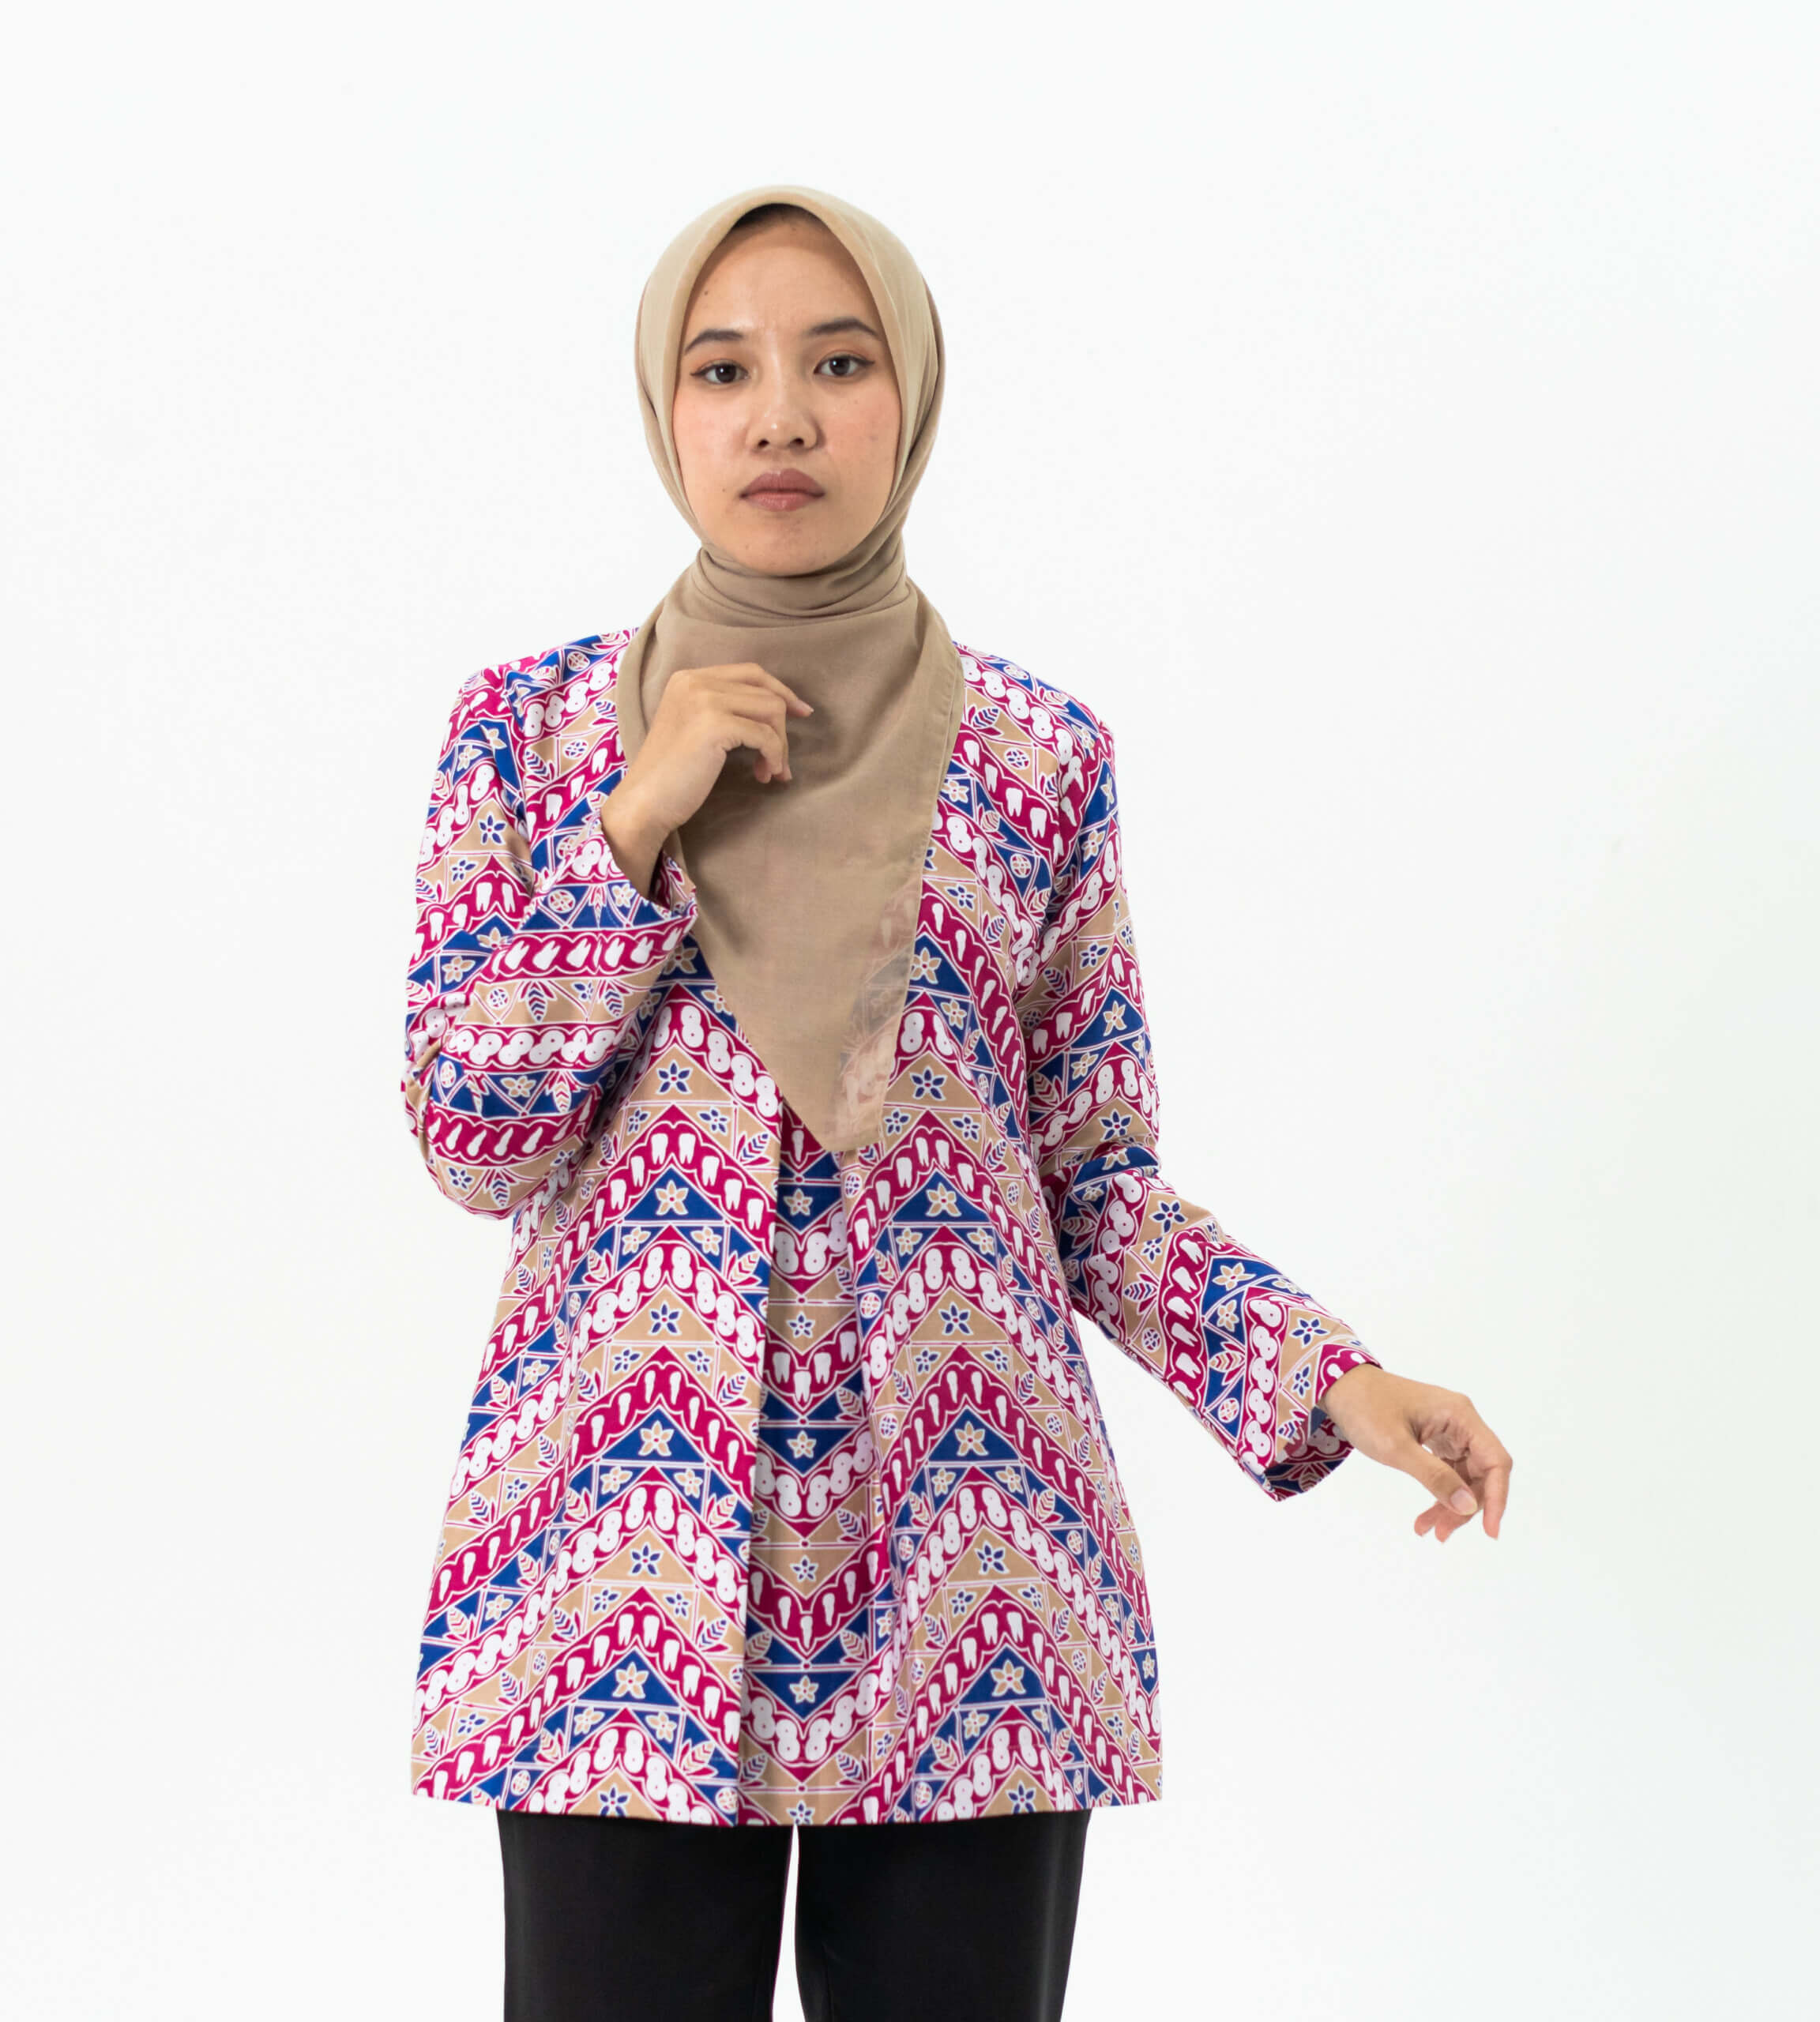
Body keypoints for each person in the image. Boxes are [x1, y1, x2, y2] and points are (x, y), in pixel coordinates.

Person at [400, 184, 1513, 2022]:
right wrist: (636, 816)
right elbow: (470, 1132)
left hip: (967, 1579)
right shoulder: (529, 735)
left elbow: (1095, 1182)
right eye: (721, 368)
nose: (779, 415)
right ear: (661, 406)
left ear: (908, 398)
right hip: (620, 1584)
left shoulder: (1032, 753)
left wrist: (1327, 1375)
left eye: (837, 364)